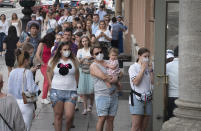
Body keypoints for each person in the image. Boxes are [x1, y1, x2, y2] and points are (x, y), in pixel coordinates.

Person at [47, 41, 79, 131]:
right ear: (60, 50)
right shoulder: (53, 60)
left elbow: (77, 73)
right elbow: (48, 71)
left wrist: (76, 85)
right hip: (56, 91)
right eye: (65, 49)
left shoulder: (74, 60)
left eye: (68, 49)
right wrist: (50, 83)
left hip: (71, 92)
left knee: (69, 116)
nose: (67, 51)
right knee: (58, 116)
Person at [90, 44, 120, 131]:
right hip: (102, 96)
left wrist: (116, 77)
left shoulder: (109, 61)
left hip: (114, 95)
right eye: (96, 53)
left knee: (111, 120)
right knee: (102, 119)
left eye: (100, 52)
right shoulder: (93, 66)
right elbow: (105, 77)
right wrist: (116, 78)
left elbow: (120, 73)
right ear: (93, 55)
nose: (99, 54)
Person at [8, 49, 39, 131]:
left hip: (14, 103)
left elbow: (9, 90)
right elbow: (31, 89)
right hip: (26, 103)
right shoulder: (28, 72)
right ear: (26, 60)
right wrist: (37, 87)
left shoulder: (12, 72)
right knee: (26, 128)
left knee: (15, 127)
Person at [128, 48, 154, 131]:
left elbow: (153, 82)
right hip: (137, 98)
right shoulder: (133, 67)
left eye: (148, 56)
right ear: (139, 56)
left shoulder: (150, 66)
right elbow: (136, 82)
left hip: (148, 98)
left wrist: (151, 71)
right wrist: (142, 69)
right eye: (145, 56)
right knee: (136, 126)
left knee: (144, 127)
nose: (147, 58)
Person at [35, 33, 55, 104]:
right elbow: (37, 54)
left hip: (51, 65)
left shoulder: (52, 45)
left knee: (48, 80)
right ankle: (43, 98)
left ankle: (45, 96)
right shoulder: (42, 44)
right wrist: (42, 63)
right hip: (44, 65)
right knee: (47, 80)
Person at [77, 36, 94, 115]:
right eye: (83, 41)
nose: (84, 42)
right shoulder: (80, 51)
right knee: (83, 91)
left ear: (88, 41)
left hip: (91, 71)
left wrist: (90, 61)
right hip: (82, 71)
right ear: (81, 42)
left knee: (91, 90)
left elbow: (96, 59)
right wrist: (83, 59)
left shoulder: (92, 49)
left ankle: (91, 104)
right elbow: (78, 62)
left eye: (86, 41)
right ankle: (84, 108)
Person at [166, 46, 179, 120]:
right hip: (184, 97)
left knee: (171, 119)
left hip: (170, 96)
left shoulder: (167, 66)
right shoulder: (187, 66)